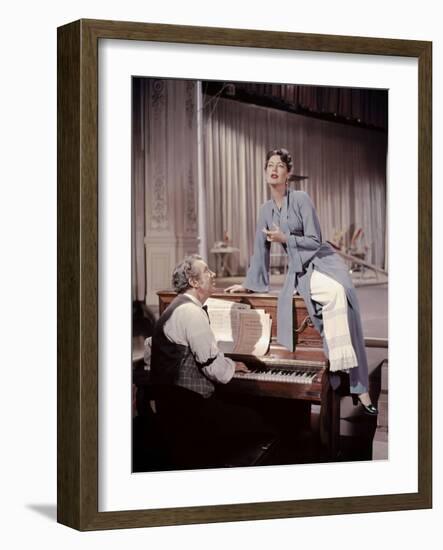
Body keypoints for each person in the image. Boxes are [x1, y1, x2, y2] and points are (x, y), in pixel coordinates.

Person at [226, 148, 378, 415]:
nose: (273, 169)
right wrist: (249, 284)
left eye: (279, 166)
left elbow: (315, 240)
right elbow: (259, 251)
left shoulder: (301, 199)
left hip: (324, 260)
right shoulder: (265, 210)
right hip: (301, 270)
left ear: (288, 173)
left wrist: (286, 239)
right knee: (332, 295)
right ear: (265, 172)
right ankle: (341, 371)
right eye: (269, 165)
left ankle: (355, 382)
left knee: (341, 292)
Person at [149, 254, 274, 468]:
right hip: (187, 408)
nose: (213, 274)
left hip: (171, 402)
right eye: (207, 271)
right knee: (262, 422)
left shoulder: (176, 307)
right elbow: (211, 366)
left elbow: (153, 347)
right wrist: (235, 367)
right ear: (194, 282)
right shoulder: (191, 312)